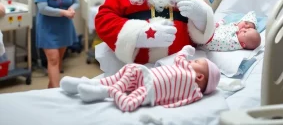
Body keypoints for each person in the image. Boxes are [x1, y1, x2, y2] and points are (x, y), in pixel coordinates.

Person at [60, 45, 220, 111]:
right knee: (130, 69)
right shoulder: (183, 66)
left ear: (200, 76)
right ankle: (90, 83)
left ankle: (106, 92)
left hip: (151, 91)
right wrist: (186, 50)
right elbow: (180, 57)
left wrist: (165, 105)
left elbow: (181, 103)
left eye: (197, 61)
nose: (193, 61)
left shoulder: (195, 92)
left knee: (128, 104)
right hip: (146, 74)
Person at [35, 0, 79, 88]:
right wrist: (63, 12)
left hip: (64, 27)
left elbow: (76, 1)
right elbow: (43, 8)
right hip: (47, 28)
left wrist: (72, 8)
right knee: (53, 59)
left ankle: (51, 90)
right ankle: (56, 92)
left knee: (58, 61)